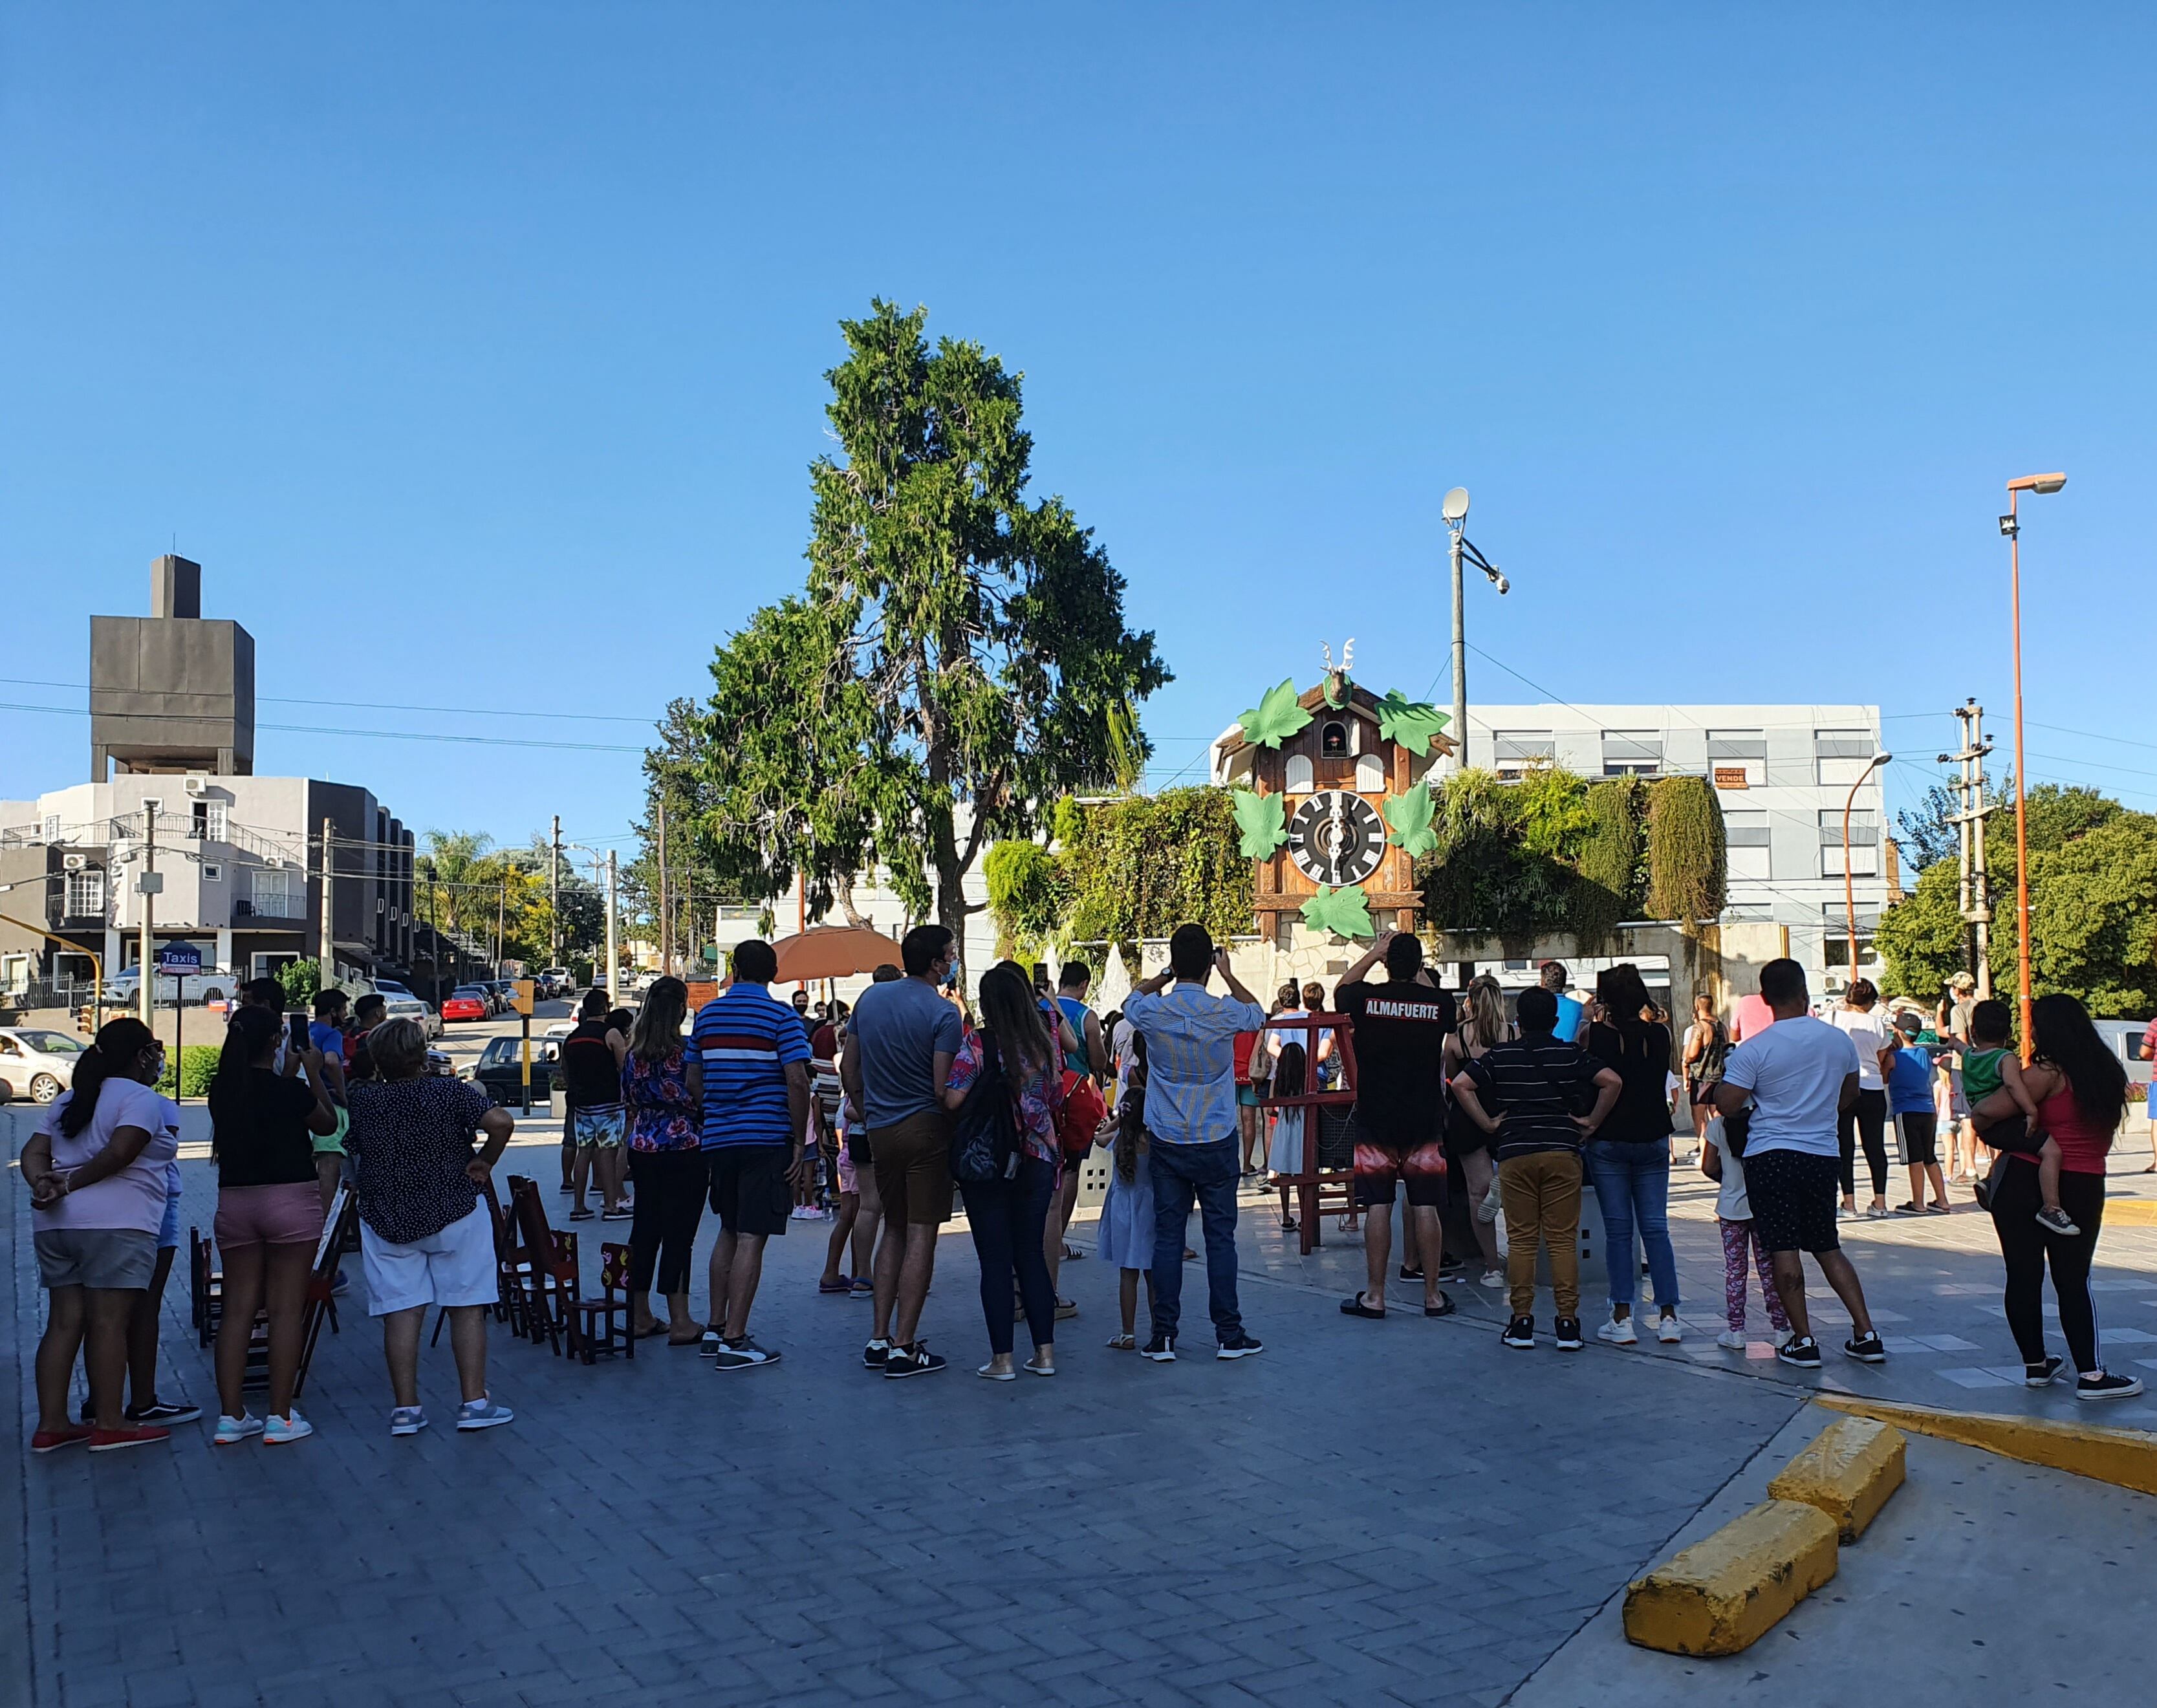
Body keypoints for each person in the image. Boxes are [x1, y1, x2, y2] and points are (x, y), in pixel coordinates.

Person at [1710, 958, 1887, 1369]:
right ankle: (1866, 1332)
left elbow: (1727, 1104)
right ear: (1805, 993)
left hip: (1770, 1156)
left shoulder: (1756, 1049)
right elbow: (1849, 1095)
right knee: (1827, 1244)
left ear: (1766, 999)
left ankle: (1803, 1340)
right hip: (1824, 1154)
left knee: (1782, 1247)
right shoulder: (1838, 1041)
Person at [346, 1019, 516, 1434]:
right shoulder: (446, 1091)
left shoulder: (364, 1101)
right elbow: (501, 1122)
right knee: (465, 1306)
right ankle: (474, 1403)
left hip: (387, 1216)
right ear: (421, 1054)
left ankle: (406, 1409)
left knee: (400, 1312)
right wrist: (485, 1160)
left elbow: (354, 1151)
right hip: (453, 1206)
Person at [23, 1018, 179, 1453]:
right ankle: (111, 1421)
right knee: (110, 1322)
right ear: (142, 1055)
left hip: (56, 1225)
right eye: (154, 1050)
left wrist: (44, 1183)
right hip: (116, 1225)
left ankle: (52, 1423)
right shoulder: (139, 1099)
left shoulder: (70, 1100)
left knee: (63, 1322)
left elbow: (33, 1151)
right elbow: (121, 1151)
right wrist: (68, 1184)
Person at [1977, 993, 2141, 1399]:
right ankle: (2091, 1374)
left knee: (2023, 1274)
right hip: (2084, 1182)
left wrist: (2030, 1141)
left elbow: (1983, 1114)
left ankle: (2036, 1365)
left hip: (2022, 1178)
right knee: (2073, 1279)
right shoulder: (2107, 1072)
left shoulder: (2045, 1073)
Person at [1122, 924, 1268, 1363]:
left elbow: (1129, 1001)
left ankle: (1163, 1335)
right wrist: (1227, 975)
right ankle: (1228, 1333)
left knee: (1167, 1238)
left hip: (1167, 1138)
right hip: (1217, 1136)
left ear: (1174, 962)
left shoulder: (1154, 1012)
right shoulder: (1223, 1012)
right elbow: (1258, 1013)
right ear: (1209, 963)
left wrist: (1165, 974)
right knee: (1220, 1238)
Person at [1450, 988, 1618, 1350]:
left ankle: (1522, 1321)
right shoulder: (1571, 1053)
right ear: (1556, 1022)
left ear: (1518, 1022)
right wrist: (1591, 1121)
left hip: (1516, 1152)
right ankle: (1568, 1325)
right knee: (1561, 1240)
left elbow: (1462, 1085)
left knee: (1522, 1240)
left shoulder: (1502, 1055)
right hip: (1562, 1151)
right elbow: (1612, 1082)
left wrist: (1489, 1124)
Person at [206, 1004, 339, 1444]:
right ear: (275, 1042)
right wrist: (312, 1073)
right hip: (290, 1200)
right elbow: (327, 1122)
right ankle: (280, 1416)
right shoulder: (291, 1092)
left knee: (237, 1309)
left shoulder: (221, 1089)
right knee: (284, 1309)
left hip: (235, 1202)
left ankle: (230, 1415)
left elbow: (257, 1102)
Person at [843, 927, 963, 1379]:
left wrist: (865, 1104)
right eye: (950, 955)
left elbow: (850, 1066)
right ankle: (905, 1344)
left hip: (880, 1128)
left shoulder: (869, 1000)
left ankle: (878, 1336)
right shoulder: (942, 1013)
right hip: (924, 1129)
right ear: (936, 963)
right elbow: (940, 1086)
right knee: (921, 1233)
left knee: (891, 1227)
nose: (952, 961)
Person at [691, 940, 813, 1371]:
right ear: (774, 973)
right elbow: (797, 1080)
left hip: (720, 1139)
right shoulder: (782, 1017)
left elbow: (693, 1077)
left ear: (735, 969)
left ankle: (714, 1325)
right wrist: (799, 1141)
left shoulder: (707, 1017)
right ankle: (735, 1339)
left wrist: (716, 1110)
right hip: (765, 1137)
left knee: (727, 1228)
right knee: (751, 1236)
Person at [942, 960, 1064, 1379]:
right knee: (1030, 1253)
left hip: (989, 1160)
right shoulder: (1045, 1042)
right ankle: (1044, 1354)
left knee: (995, 1260)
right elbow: (1056, 1095)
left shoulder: (978, 1043)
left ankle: (1003, 1360)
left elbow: (953, 1099)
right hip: (1038, 1157)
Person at [1331, 929, 1457, 1321]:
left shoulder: (1367, 998)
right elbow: (1441, 1008)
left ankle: (1375, 1295)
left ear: (1387, 962)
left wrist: (1375, 953)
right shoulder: (1439, 1002)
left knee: (1378, 1206)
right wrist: (1414, 968)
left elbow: (1341, 987)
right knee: (1425, 1205)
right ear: (1419, 965)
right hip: (1424, 1117)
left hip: (1376, 1117)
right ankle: (1433, 1296)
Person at [1581, 964, 1684, 1345]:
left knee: (1619, 1231)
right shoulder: (1660, 1035)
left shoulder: (1593, 1036)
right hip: (1654, 1135)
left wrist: (1589, 1122)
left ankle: (1622, 1316)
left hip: (1608, 1138)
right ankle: (1669, 1315)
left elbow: (1585, 1078)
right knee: (1656, 1227)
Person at [621, 977, 705, 1343]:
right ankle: (681, 1319)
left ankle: (640, 1315)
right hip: (684, 1147)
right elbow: (698, 1097)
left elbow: (629, 1099)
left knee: (645, 1229)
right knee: (679, 1235)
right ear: (681, 1010)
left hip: (643, 1146)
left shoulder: (632, 1054)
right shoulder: (684, 1053)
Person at [1962, 999, 2074, 1233]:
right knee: (2051, 1151)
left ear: (1973, 1031)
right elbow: (2014, 1086)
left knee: (2012, 1142)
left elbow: (1958, 1046)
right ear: (2009, 1032)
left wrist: (1953, 1040)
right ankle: (2052, 1207)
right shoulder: (2005, 1058)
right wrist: (2031, 1109)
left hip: (1986, 1124)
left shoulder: (1969, 1056)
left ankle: (1991, 1179)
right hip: (2002, 1119)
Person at [1700, 1101, 1790, 1350]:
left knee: (1735, 1270)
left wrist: (1728, 1181)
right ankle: (1781, 1328)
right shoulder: (1765, 1122)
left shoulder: (1719, 1125)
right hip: (1763, 1207)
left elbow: (1708, 1166)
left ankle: (1736, 1331)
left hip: (1731, 1208)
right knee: (1769, 1269)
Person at [1042, 961, 1103, 1318]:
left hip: (1044, 1103)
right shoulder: (1087, 1016)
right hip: (1076, 1100)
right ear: (1083, 984)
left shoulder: (1041, 1006)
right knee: (1070, 1174)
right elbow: (1098, 1060)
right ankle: (1058, 1239)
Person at [1439, 974, 1508, 1288]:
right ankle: (1503, 1184)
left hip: (1468, 1117)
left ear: (1470, 1000)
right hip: (1505, 1113)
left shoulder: (1457, 1037)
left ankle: (1492, 1266)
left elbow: (1452, 1080)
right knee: (1519, 1184)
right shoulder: (1512, 1033)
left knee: (1476, 1194)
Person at [1098, 1028, 1157, 1349]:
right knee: (1152, 1273)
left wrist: (1117, 1122)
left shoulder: (1121, 1140)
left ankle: (1128, 1332)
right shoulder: (1155, 1143)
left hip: (1123, 1210)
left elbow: (1098, 1139)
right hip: (1150, 1208)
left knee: (1127, 1273)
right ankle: (1159, 1328)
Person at [559, 989, 630, 1222]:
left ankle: (579, 1206)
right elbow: (624, 1069)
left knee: (585, 1151)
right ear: (605, 1008)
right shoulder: (611, 1034)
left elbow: (565, 1071)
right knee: (608, 1153)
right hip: (609, 1105)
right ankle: (611, 1206)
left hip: (582, 1105)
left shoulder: (572, 1038)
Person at [1829, 978, 1896, 1219]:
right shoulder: (1877, 1024)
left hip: (1843, 1087)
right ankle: (1880, 1202)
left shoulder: (1832, 1018)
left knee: (1844, 1146)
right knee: (1875, 1146)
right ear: (1869, 1002)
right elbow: (1881, 1058)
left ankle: (1849, 1203)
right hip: (1873, 1088)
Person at [1887, 1012, 1951, 1214]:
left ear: (1897, 1031)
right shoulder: (1923, 1053)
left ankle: (1918, 1203)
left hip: (1905, 1111)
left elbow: (1884, 1077)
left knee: (1914, 1158)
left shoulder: (1893, 1058)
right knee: (1929, 1156)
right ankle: (1942, 1200)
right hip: (1927, 1110)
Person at [1680, 993, 1729, 1147]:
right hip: (1719, 1077)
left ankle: (1704, 1153)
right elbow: (1727, 1047)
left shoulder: (1700, 1027)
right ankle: (1720, 1151)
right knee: (1717, 1116)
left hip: (1701, 1078)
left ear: (1697, 1007)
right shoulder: (1721, 1026)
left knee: (1700, 1120)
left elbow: (1692, 1054)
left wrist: (1686, 1060)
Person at [1539, 960, 1584, 1044]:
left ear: (1542, 983)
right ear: (1564, 983)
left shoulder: (1534, 1006)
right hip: (1570, 1054)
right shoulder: (1579, 1007)